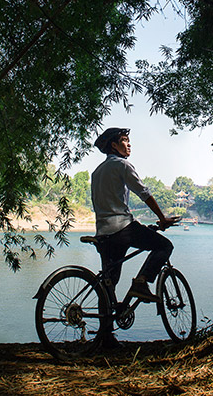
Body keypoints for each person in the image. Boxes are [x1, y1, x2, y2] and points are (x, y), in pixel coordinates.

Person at [91, 127, 180, 306]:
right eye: (124, 140)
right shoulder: (122, 165)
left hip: (103, 232)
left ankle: (105, 332)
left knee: (108, 284)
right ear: (114, 145)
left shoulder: (97, 172)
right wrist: (162, 218)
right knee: (164, 246)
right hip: (122, 228)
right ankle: (141, 281)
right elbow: (143, 192)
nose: (129, 144)